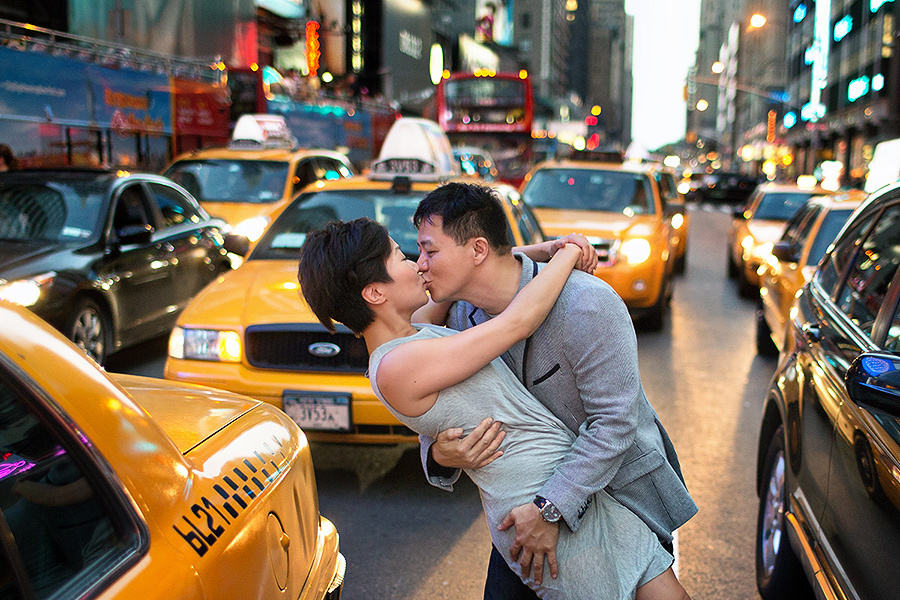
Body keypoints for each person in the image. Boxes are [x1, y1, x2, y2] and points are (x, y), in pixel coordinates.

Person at [298, 217, 690, 599]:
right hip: (532, 509)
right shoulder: (399, 365)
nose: (418, 265)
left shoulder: (415, 327)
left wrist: (547, 248)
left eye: (422, 253)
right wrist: (569, 253)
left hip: (585, 490)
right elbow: (518, 321)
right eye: (402, 257)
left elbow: (469, 267)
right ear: (374, 293)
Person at [413, 182, 698, 599]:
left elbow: (615, 424)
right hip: (521, 520)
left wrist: (550, 510)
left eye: (430, 251)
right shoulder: (456, 319)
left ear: (477, 250)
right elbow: (436, 408)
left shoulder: (587, 304)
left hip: (617, 500)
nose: (419, 264)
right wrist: (438, 454)